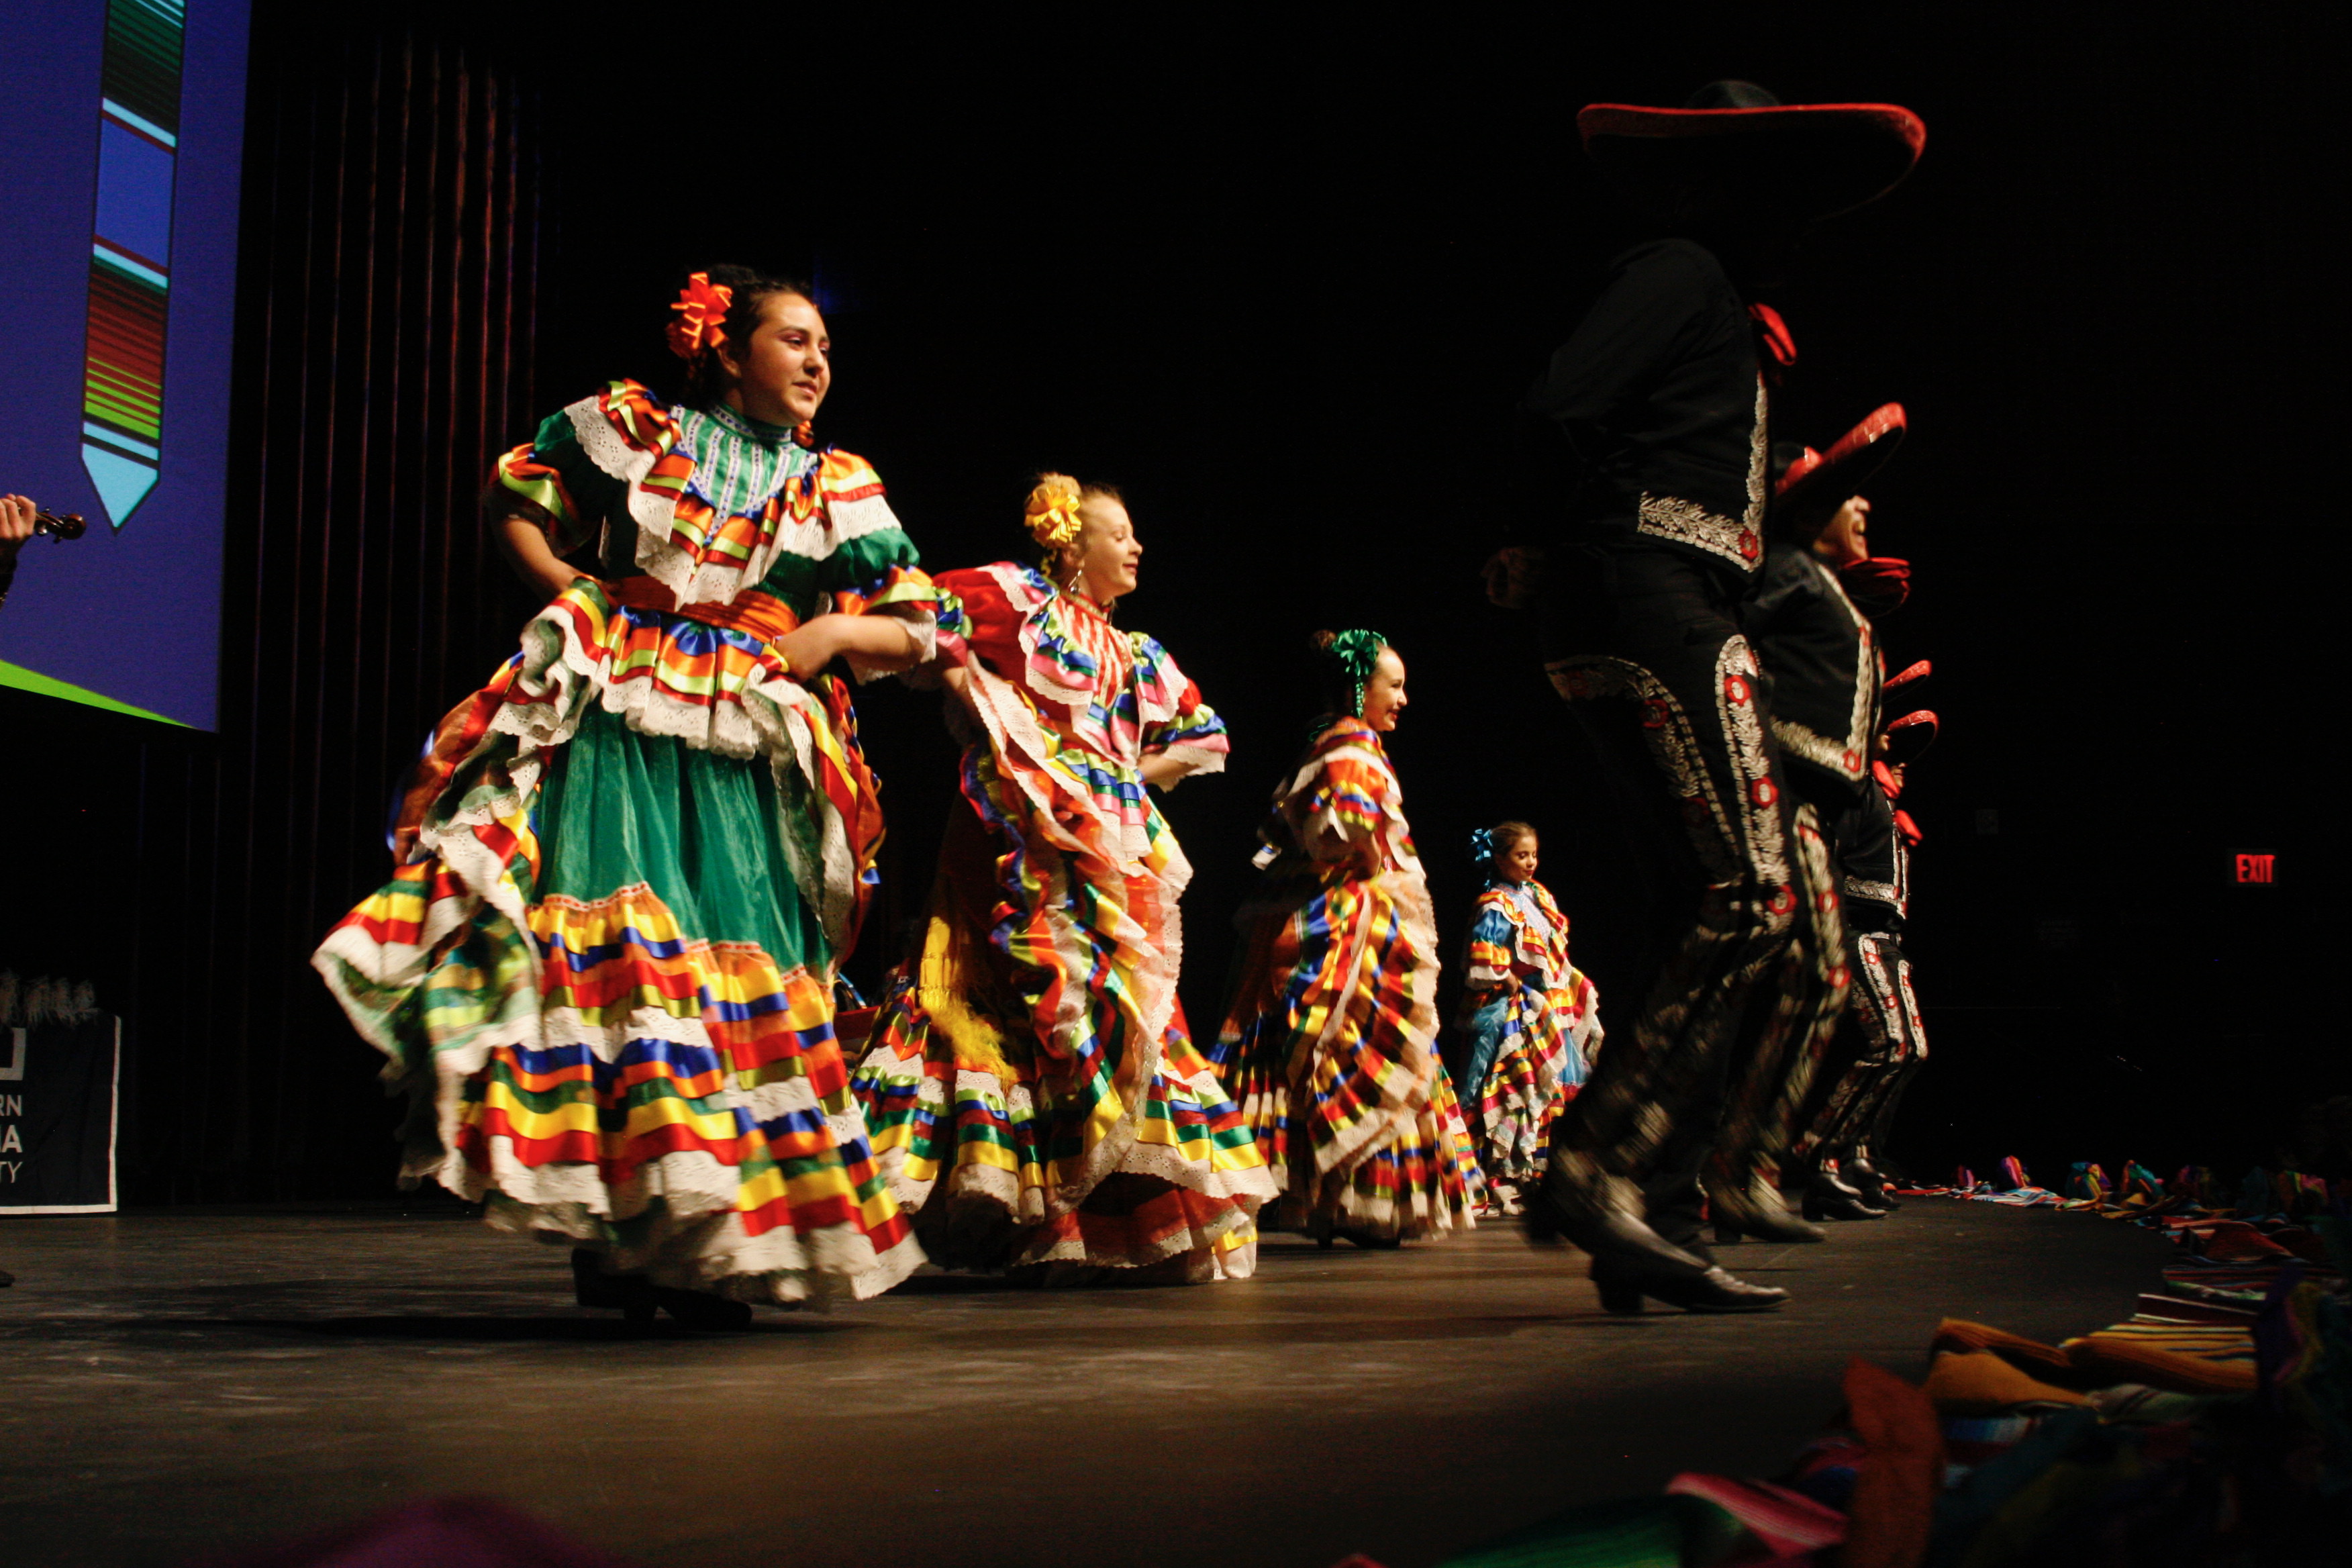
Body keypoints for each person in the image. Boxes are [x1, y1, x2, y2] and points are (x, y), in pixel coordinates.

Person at [314, 267, 937, 1326]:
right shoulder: (637, 429)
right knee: (627, 972)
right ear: (726, 349)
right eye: (793, 340)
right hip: (625, 716)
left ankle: (696, 1246)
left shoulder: (836, 483)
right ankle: (624, 1236)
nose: (817, 362)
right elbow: (519, 498)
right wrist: (578, 597)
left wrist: (830, 634)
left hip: (747, 737)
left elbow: (918, 621)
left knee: (731, 983)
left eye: (824, 345)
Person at [1500, 81, 1924, 1313]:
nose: (1797, 222)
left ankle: (1655, 1193)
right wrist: (1545, 538)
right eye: (1778, 196)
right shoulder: (1678, 268)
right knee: (1748, 893)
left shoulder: (1717, 303)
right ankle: (1597, 1168)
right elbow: (1556, 407)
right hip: (1647, 597)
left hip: (1667, 601)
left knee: (1712, 901)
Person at [848, 475, 1274, 1283]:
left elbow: (1204, 731)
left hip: (1107, 863)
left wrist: (1119, 779)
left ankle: (1091, 1219)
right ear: (1073, 543)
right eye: (1121, 532)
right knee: (989, 1010)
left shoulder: (1136, 652)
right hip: (1006, 850)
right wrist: (974, 698)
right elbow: (917, 618)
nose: (1137, 546)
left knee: (1119, 1019)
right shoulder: (1021, 602)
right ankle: (987, 1207)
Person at [1214, 630, 1480, 1246]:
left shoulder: (1327, 742)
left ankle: (1325, 1197)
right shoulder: (1352, 746)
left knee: (1315, 1047)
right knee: (1359, 1039)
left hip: (1313, 906)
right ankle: (1352, 1195)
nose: (1404, 699)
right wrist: (1367, 859)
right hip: (1345, 915)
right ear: (1362, 688)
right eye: (1395, 685)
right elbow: (1341, 829)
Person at [1745, 409, 1908, 1222]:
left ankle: (1754, 1165)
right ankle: (1726, 1169)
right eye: (1849, 497)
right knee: (1757, 987)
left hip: (1805, 811)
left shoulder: (1817, 588)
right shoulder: (1783, 573)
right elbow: (1731, 649)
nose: (1866, 509)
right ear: (1808, 511)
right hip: (1779, 808)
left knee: (1812, 985)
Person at [1455, 822, 1604, 1214]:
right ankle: (1494, 1179)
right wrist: (1511, 984)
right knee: (1509, 1088)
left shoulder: (1537, 896)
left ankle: (1538, 1178)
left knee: (1549, 1089)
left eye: (1533, 855)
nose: (1530, 863)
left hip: (1546, 1007)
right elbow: (1482, 960)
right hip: (1512, 1009)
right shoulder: (1494, 904)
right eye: (1521, 856)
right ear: (1499, 859)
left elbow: (1555, 952)